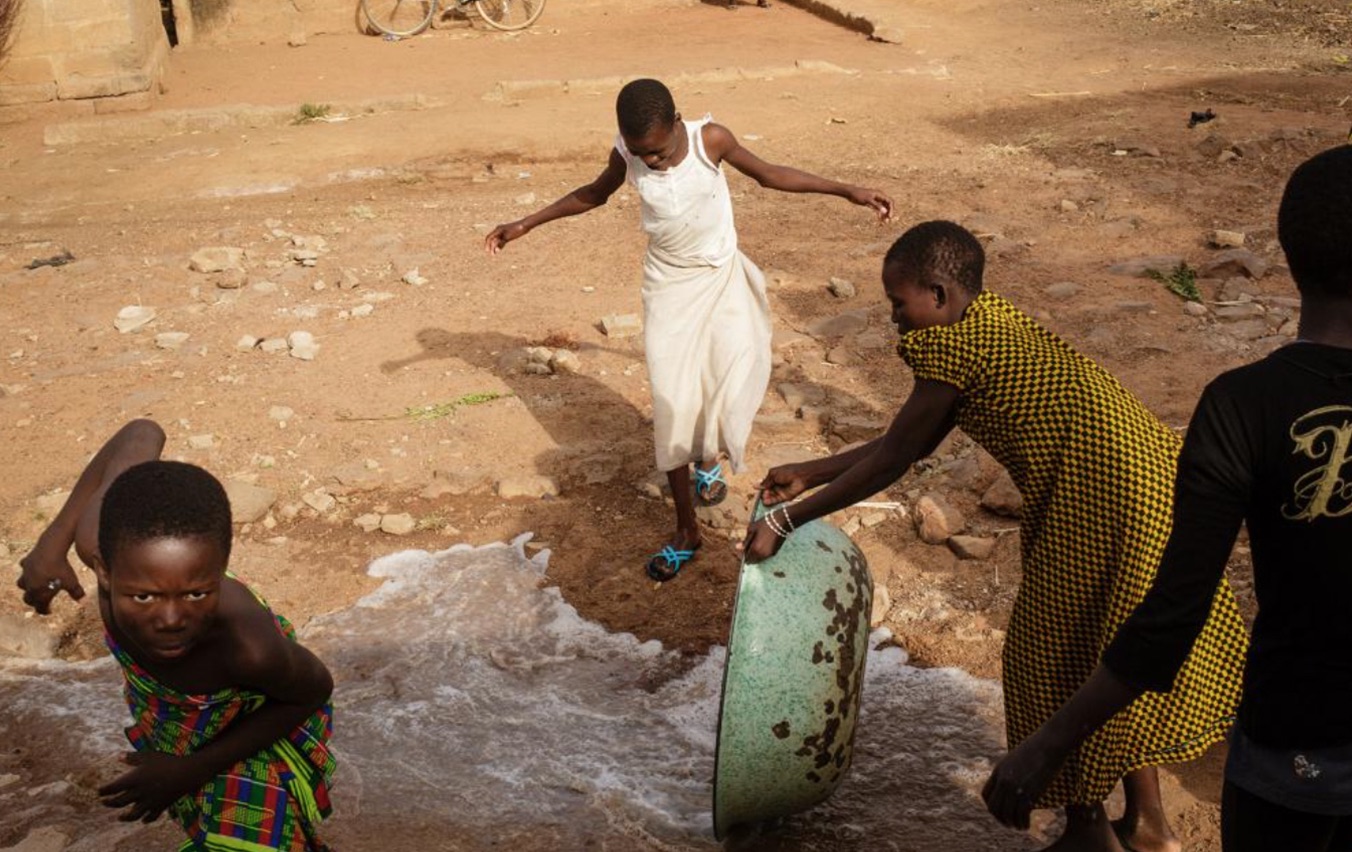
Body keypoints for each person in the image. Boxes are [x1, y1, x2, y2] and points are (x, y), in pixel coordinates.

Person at [740, 221, 1248, 852]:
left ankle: (1089, 830)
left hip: (1096, 493)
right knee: (1112, 637)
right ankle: (1147, 825)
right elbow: (915, 439)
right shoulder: (987, 322)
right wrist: (809, 472)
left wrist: (788, 520)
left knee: (1047, 654)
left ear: (939, 294)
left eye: (900, 304)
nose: (894, 318)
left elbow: (899, 455)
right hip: (1144, 475)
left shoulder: (948, 348)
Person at [982, 145, 1352, 851]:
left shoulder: (1244, 405)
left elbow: (1171, 618)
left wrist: (1046, 744)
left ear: (1289, 254)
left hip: (1289, 752)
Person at [484, 77, 892, 582]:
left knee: (730, 374)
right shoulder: (628, 152)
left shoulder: (709, 140)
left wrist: (846, 190)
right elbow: (594, 193)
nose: (649, 162)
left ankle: (709, 458)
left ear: (678, 124)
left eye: (656, 152)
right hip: (669, 289)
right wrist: (527, 222)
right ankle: (686, 531)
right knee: (673, 403)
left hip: (722, 278)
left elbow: (768, 174)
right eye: (641, 154)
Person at [16, 419, 337, 851]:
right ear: (104, 570)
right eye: (143, 597)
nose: (171, 618)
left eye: (196, 592)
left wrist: (189, 769)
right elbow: (141, 433)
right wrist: (50, 544)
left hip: (258, 717)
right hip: (177, 715)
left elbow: (312, 691)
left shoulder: (249, 647)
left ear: (220, 570)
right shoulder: (100, 542)